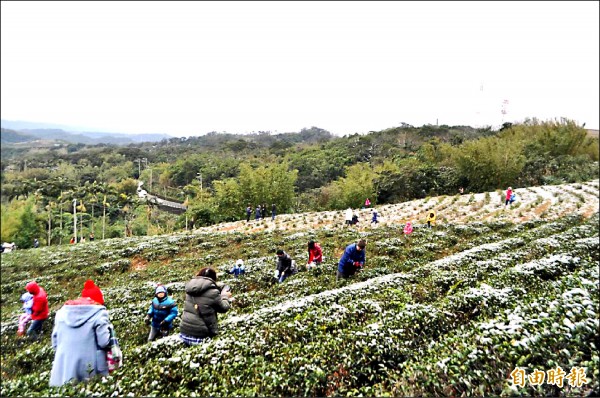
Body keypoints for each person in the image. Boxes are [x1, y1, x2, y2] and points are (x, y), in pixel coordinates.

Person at [49, 279, 111, 387]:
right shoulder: (99, 313)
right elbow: (104, 342)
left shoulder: (61, 313)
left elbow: (55, 343)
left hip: (64, 366)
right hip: (89, 368)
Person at [179, 267, 232, 346]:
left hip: (184, 332)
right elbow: (224, 308)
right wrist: (225, 296)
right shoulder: (213, 292)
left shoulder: (190, 288)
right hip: (200, 335)